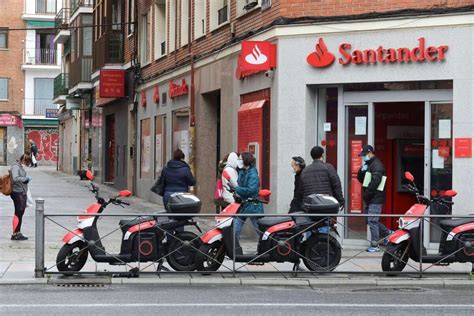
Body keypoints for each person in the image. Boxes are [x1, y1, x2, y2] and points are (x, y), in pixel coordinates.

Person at [357, 144, 391, 253]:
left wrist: (367, 193)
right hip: (370, 197)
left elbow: (375, 181)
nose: (363, 157)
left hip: (375, 197)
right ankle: (388, 234)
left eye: (364, 155)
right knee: (370, 220)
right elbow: (360, 178)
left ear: (370, 153)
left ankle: (375, 245)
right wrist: (362, 170)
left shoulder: (377, 165)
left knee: (372, 220)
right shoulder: (369, 164)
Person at [233, 152, 263, 251]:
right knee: (235, 229)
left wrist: (237, 189)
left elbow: (251, 190)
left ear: (245, 160)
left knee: (260, 230)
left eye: (240, 159)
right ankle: (234, 250)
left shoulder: (253, 174)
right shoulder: (242, 171)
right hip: (243, 205)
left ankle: (265, 248)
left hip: (252, 205)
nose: (238, 161)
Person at [10, 154, 32, 240]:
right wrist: (25, 179)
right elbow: (15, 178)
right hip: (17, 192)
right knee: (18, 213)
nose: (26, 165)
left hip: (21, 192)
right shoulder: (16, 167)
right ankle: (15, 233)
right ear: (23, 160)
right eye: (26, 163)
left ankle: (17, 232)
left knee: (20, 213)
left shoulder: (19, 166)